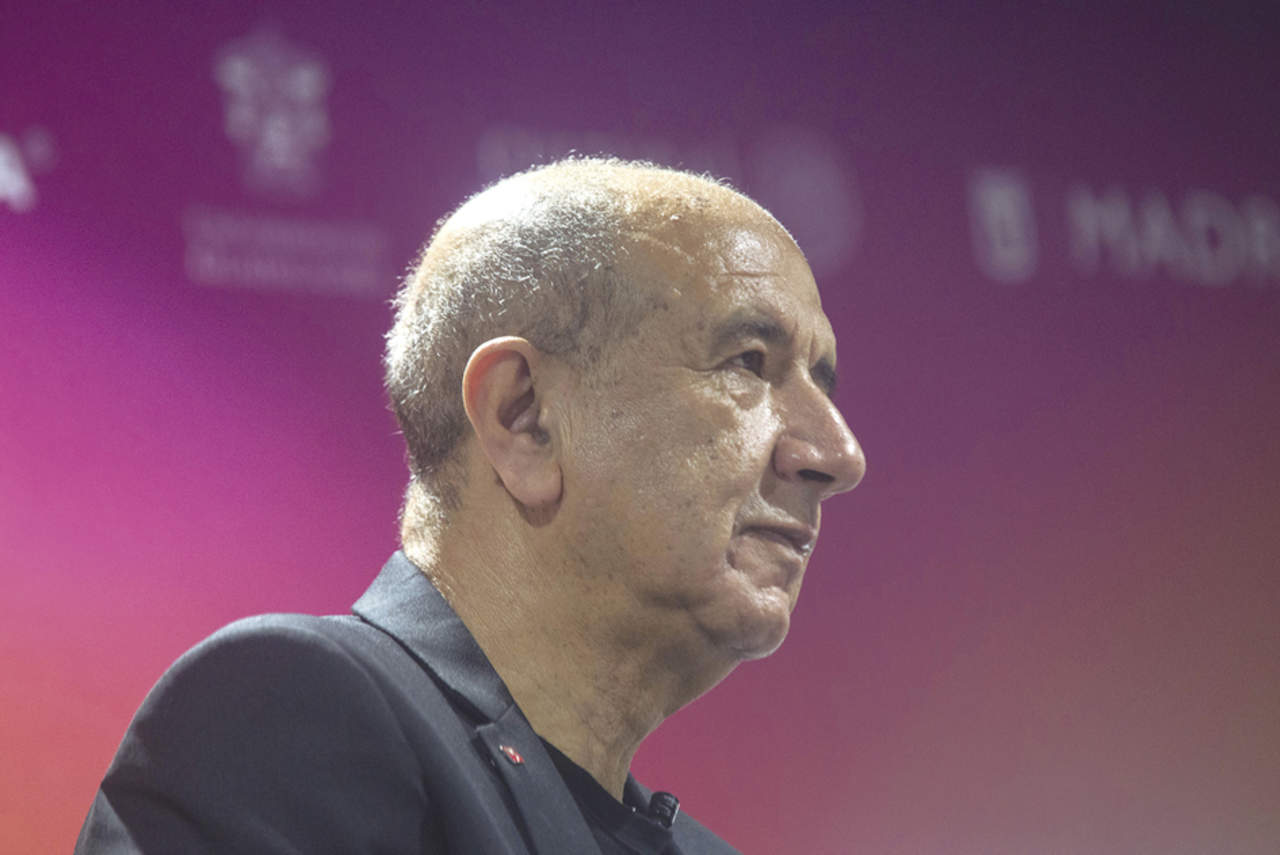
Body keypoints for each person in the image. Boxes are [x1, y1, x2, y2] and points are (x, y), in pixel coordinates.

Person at [76, 158, 866, 854]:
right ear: (525, 417)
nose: (837, 454)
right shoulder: (289, 714)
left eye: (822, 383)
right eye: (749, 363)